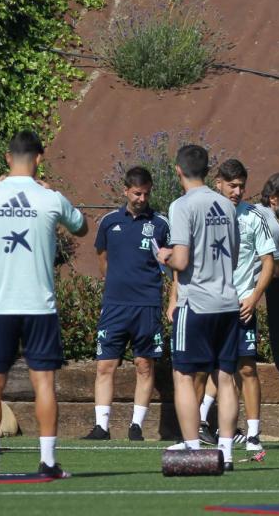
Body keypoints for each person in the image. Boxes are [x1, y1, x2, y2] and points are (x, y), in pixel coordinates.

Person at [0, 131, 87, 479]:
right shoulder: (51, 198)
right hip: (39, 307)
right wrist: (47, 194)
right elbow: (82, 228)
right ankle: (47, 463)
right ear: (39, 159)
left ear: (6, 158)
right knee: (44, 383)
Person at [198, 165, 279, 452]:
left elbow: (269, 264)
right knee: (213, 367)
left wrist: (253, 297)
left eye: (241, 186)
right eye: (232, 185)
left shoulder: (255, 217)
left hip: (242, 304)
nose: (237, 191)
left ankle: (254, 434)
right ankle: (200, 422)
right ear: (217, 184)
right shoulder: (203, 212)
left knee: (245, 368)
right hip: (211, 305)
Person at [157, 145, 241, 471]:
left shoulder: (181, 206)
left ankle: (193, 448)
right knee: (226, 377)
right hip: (227, 301)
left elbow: (181, 260)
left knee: (182, 374)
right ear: (208, 170)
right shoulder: (226, 204)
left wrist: (162, 256)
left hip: (197, 303)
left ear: (178, 170)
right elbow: (232, 254)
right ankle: (227, 451)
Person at [82, 166, 170, 442]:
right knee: (104, 366)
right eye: (136, 193)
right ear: (125, 191)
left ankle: (136, 426)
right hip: (115, 305)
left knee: (144, 365)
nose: (142, 198)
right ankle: (101, 427)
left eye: (146, 193)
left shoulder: (161, 224)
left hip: (148, 305)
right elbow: (102, 257)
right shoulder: (109, 222)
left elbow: (172, 263)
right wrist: (114, 284)